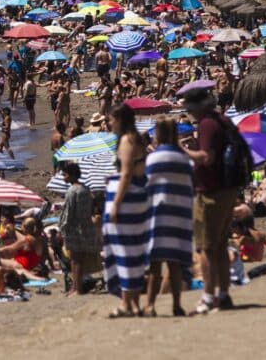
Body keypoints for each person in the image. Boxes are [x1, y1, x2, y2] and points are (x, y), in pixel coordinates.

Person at [180, 88, 237, 314]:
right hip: (227, 187)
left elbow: (206, 158)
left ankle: (208, 297)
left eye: (189, 108)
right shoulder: (223, 120)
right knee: (221, 245)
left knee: (205, 247)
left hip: (211, 190)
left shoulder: (207, 124)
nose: (189, 113)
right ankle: (223, 295)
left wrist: (183, 149)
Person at [144, 116, 194, 317]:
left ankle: (150, 305)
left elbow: (145, 186)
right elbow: (191, 185)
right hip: (180, 213)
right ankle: (176, 304)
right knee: (175, 263)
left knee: (155, 265)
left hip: (158, 214)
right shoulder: (183, 158)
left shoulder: (154, 157)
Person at [102, 103, 149, 317]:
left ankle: (127, 304)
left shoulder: (127, 140)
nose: (108, 123)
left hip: (127, 201)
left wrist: (116, 205)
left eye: (110, 120)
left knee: (124, 251)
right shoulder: (134, 139)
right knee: (132, 251)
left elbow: (127, 174)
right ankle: (132, 304)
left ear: (120, 120)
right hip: (133, 197)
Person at [58, 163, 98, 296]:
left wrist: (62, 229)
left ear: (70, 175)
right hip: (86, 227)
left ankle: (77, 288)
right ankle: (76, 288)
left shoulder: (71, 191)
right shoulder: (86, 189)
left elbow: (68, 214)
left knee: (75, 260)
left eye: (64, 174)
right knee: (79, 259)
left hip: (74, 229)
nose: (63, 177)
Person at [0, 217, 45, 293]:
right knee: (8, 258)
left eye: (22, 226)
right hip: (33, 262)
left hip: (25, 263)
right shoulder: (38, 237)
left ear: (26, 228)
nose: (21, 228)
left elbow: (11, 248)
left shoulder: (26, 239)